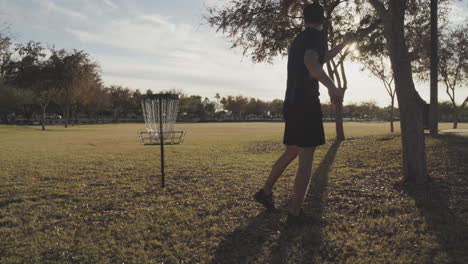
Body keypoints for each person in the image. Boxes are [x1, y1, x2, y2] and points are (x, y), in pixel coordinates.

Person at [254, 1, 351, 227]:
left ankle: (265, 191)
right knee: (306, 160)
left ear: (304, 18)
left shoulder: (299, 39)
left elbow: (318, 58)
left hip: (292, 102)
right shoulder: (316, 36)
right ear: (323, 20)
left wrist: (344, 45)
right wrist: (332, 87)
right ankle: (295, 214)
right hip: (307, 104)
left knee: (292, 151)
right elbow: (312, 63)